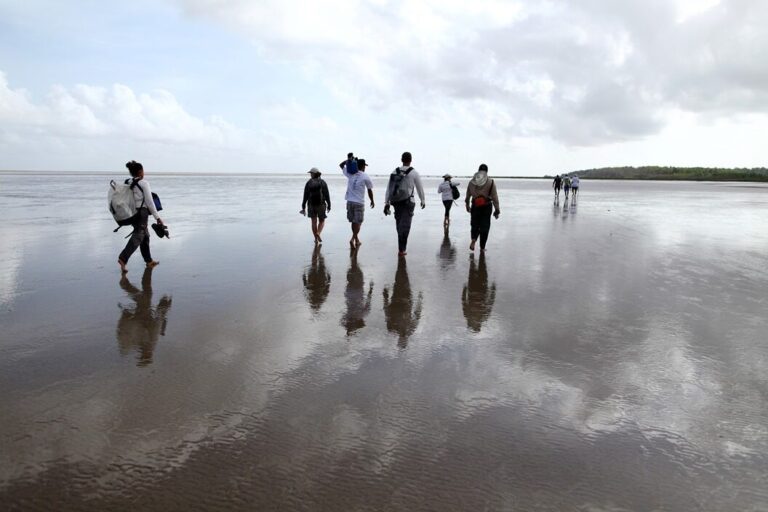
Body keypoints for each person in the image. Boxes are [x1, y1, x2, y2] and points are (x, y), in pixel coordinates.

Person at [117, 267, 172, 367]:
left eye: (145, 355)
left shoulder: (144, 343)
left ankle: (125, 285)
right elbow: (157, 323)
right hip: (139, 319)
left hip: (138, 318)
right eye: (146, 355)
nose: (146, 353)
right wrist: (164, 307)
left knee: (145, 299)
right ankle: (128, 284)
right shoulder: (148, 343)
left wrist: (164, 307)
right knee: (146, 296)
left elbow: (157, 323)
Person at [118, 160, 164, 273]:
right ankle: (123, 258)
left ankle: (148, 261)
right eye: (143, 170)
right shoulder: (144, 183)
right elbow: (149, 202)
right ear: (140, 171)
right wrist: (157, 217)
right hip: (142, 213)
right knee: (139, 235)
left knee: (145, 236)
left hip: (132, 213)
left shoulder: (128, 182)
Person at [383, 151, 426, 256]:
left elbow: (389, 188)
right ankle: (402, 249)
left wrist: (386, 202)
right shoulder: (414, 173)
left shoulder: (394, 171)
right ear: (411, 160)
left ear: (401, 160)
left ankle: (401, 247)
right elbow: (419, 188)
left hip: (396, 201)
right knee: (405, 225)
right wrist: (423, 200)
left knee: (399, 224)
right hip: (408, 202)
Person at [382, 258, 422, 349]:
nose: (402, 338)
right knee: (403, 277)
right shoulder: (410, 328)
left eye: (401, 340)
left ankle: (401, 261)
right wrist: (420, 300)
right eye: (403, 340)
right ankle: (401, 261)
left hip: (398, 298)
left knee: (400, 277)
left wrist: (385, 297)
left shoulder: (392, 328)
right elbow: (417, 314)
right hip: (405, 297)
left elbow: (387, 313)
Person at [464, 164, 500, 252]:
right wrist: (497, 209)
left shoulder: (471, 182)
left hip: (475, 205)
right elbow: (495, 197)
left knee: (474, 224)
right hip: (486, 206)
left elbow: (467, 196)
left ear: (478, 170)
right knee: (485, 226)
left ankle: (473, 239)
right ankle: (482, 247)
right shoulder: (490, 182)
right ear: (487, 172)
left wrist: (467, 205)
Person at [342, 157, 374, 249]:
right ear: (363, 166)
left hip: (349, 202)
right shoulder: (365, 176)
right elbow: (369, 190)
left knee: (354, 222)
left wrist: (348, 161)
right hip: (359, 203)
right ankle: (352, 239)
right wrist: (372, 200)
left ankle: (357, 240)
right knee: (358, 222)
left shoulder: (350, 173)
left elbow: (341, 165)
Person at [461, 253, 496, 333]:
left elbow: (464, 302)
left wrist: (464, 290)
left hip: (475, 290)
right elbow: (490, 302)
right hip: (480, 290)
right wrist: (493, 290)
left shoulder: (470, 315)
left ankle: (473, 260)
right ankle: (475, 260)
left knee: (478, 271)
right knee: (479, 271)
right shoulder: (483, 316)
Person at [300, 167, 331, 244]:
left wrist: (303, 206)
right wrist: (329, 205)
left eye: (311, 173)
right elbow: (327, 194)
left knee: (313, 222)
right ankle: (318, 233)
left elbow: (305, 195)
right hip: (321, 204)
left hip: (311, 205)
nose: (310, 174)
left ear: (314, 174)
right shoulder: (322, 182)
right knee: (322, 220)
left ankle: (316, 239)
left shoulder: (309, 183)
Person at [302, 245, 331, 313]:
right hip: (319, 280)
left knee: (317, 265)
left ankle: (317, 253)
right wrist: (329, 278)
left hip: (315, 280)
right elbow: (326, 290)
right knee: (319, 265)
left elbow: (306, 288)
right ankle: (318, 254)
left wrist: (304, 278)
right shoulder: (320, 299)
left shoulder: (313, 299)